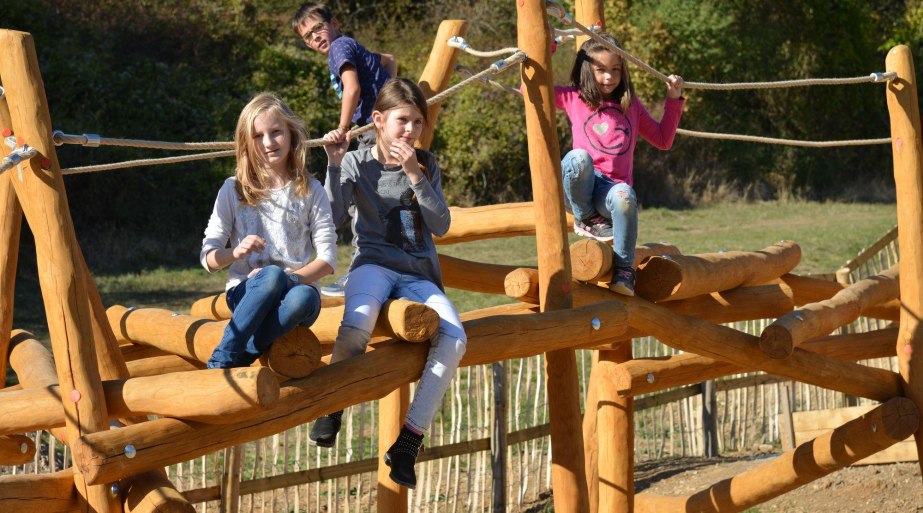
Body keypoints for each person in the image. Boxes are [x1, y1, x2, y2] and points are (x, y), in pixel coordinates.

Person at [312, 78, 466, 490]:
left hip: (418, 274)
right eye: (403, 121)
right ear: (378, 121)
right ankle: (332, 406)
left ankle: (408, 443)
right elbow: (331, 217)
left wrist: (415, 174)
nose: (411, 130)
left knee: (455, 339)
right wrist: (332, 162)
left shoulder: (426, 164)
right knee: (358, 324)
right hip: (373, 264)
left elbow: (442, 224)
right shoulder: (356, 162)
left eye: (418, 122)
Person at [200, 92, 337, 369]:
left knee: (299, 293)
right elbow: (208, 259)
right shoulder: (233, 189)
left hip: (296, 295)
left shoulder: (311, 190)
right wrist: (234, 252)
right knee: (270, 277)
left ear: (290, 133)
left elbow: (329, 260)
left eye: (276, 132)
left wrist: (287, 280)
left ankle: (231, 358)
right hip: (246, 292)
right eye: (258, 136)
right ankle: (227, 358)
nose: (268, 142)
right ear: (246, 143)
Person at [556, 33, 684, 296]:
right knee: (579, 158)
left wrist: (673, 100)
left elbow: (662, 140)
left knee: (625, 194)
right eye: (600, 70)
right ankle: (584, 217)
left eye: (615, 70)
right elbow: (530, 89)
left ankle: (624, 270)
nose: (609, 77)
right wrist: (549, 45)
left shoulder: (630, 105)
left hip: (609, 193)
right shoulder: (574, 97)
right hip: (581, 185)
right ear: (587, 70)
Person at [291, 3, 397, 296]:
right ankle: (373, 269)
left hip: (371, 135)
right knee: (373, 202)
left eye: (318, 29)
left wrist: (343, 127)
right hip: (380, 130)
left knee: (361, 203)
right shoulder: (351, 46)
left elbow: (352, 89)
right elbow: (388, 60)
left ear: (335, 23)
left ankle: (360, 273)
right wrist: (391, 95)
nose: (315, 38)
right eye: (308, 37)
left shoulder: (340, 48)